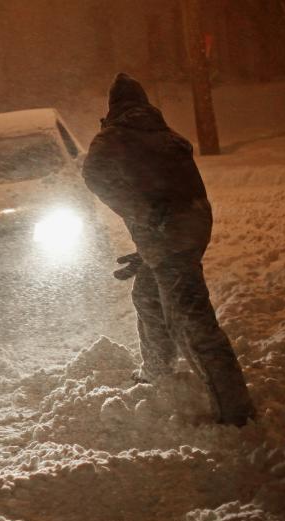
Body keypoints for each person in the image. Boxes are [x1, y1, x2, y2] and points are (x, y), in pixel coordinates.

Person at [82, 74, 255, 426]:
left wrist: (144, 218)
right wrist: (148, 246)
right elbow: (171, 193)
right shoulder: (168, 137)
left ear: (114, 108)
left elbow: (94, 173)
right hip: (192, 227)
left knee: (191, 320)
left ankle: (235, 411)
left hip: (168, 235)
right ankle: (157, 371)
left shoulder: (114, 136)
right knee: (147, 295)